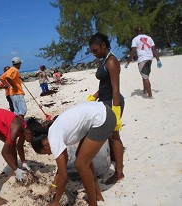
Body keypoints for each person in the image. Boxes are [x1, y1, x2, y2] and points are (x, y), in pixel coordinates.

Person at [31, 102, 117, 206]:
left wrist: (55, 201)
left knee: (81, 165)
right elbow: (63, 166)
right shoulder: (53, 132)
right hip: (101, 112)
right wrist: (54, 184)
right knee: (82, 158)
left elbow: (64, 175)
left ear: (45, 145)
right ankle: (98, 195)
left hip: (103, 119)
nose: (49, 155)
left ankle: (93, 204)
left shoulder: (53, 140)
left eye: (45, 153)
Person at [0, 109, 43, 205]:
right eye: (32, 139)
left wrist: (24, 162)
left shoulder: (25, 128)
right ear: (29, 133)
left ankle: (15, 169)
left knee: (11, 144)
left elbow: (19, 146)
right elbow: (4, 153)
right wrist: (17, 169)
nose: (31, 141)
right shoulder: (17, 128)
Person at [87, 33, 125, 185]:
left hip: (112, 101)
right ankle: (115, 159)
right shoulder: (104, 59)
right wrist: (94, 96)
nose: (94, 53)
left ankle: (119, 173)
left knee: (115, 136)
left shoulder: (111, 61)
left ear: (103, 45)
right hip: (104, 100)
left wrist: (116, 111)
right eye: (92, 51)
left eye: (95, 50)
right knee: (110, 135)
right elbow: (104, 84)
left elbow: (115, 88)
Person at [125, 26, 162, 98]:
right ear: (142, 30)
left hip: (142, 59)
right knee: (145, 75)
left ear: (136, 32)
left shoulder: (135, 39)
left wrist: (127, 62)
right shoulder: (149, 38)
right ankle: (145, 90)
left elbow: (133, 51)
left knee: (145, 77)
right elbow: (154, 49)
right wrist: (158, 60)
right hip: (150, 59)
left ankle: (150, 95)